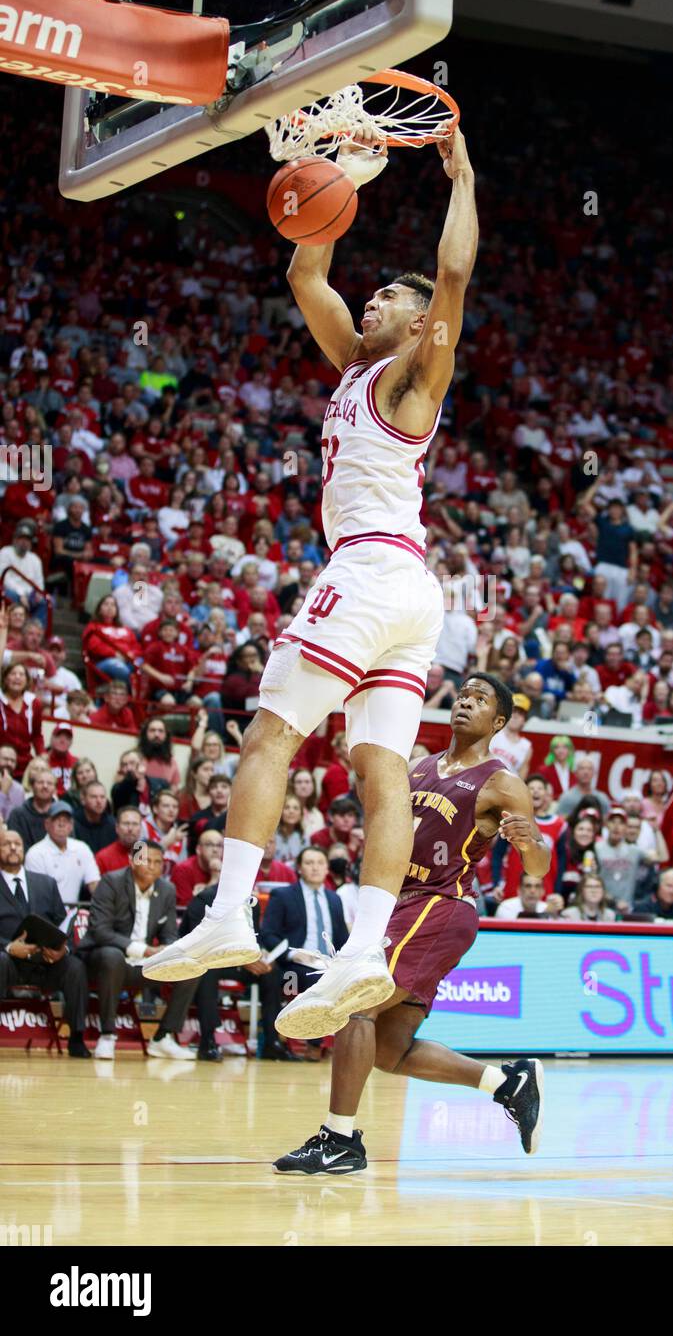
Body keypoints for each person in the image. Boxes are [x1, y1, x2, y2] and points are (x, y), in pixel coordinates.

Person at [146, 128, 479, 1042]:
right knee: (379, 772)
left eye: (386, 299)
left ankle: (229, 913)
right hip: (408, 592)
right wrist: (345, 179)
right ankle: (366, 952)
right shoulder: (355, 368)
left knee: (269, 734)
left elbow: (453, 277)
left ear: (415, 326)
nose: (366, 300)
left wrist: (461, 178)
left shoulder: (417, 373)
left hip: (372, 570)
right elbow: (306, 275)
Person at [273, 673, 545, 1174]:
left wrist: (532, 842)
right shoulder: (418, 766)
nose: (465, 702)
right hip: (399, 905)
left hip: (442, 904)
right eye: (462, 694)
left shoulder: (502, 782)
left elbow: (537, 869)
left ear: (499, 721)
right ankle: (507, 1084)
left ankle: (339, 1140)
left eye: (479, 699)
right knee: (389, 1050)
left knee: (359, 1005)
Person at [77, 841, 199, 1060]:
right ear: (132, 861)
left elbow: (169, 934)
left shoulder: (166, 890)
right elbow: (99, 931)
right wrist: (144, 950)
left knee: (192, 966)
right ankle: (107, 1035)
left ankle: (163, 1037)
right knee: (111, 956)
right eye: (146, 860)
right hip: (104, 959)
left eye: (158, 862)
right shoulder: (111, 882)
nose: (152, 866)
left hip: (144, 964)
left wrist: (168, 949)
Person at [0, 828, 91, 1057]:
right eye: (6, 844)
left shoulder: (46, 883)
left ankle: (77, 1037)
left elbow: (63, 923)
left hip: (45, 961)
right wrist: (9, 947)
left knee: (75, 967)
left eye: (18, 844)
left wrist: (62, 948)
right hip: (9, 963)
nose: (13, 848)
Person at [178, 885, 287, 1062]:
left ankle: (272, 1042)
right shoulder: (204, 898)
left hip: (236, 961)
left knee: (271, 972)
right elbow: (200, 944)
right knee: (207, 969)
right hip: (203, 958)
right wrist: (242, 959)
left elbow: (254, 939)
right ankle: (208, 1040)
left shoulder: (252, 902)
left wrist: (261, 954)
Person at [260, 845, 348, 1060]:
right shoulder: (283, 895)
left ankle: (348, 1046)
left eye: (320, 863)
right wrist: (293, 955)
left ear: (327, 868)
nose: (315, 868)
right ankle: (314, 1045)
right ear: (299, 868)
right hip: (293, 965)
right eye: (309, 863)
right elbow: (268, 934)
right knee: (314, 979)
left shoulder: (335, 899)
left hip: (329, 964)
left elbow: (343, 940)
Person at [24, 800, 100, 906]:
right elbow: (38, 894)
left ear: (71, 825)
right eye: (56, 819)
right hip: (45, 913)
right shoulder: (35, 853)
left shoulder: (82, 848)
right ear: (47, 824)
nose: (61, 824)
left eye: (66, 820)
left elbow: (94, 884)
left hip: (74, 913)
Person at [489, 692, 533, 779]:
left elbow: (521, 778)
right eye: (513, 711)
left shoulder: (526, 747)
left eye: (520, 713)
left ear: (525, 720)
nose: (515, 715)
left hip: (506, 788)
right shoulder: (492, 730)